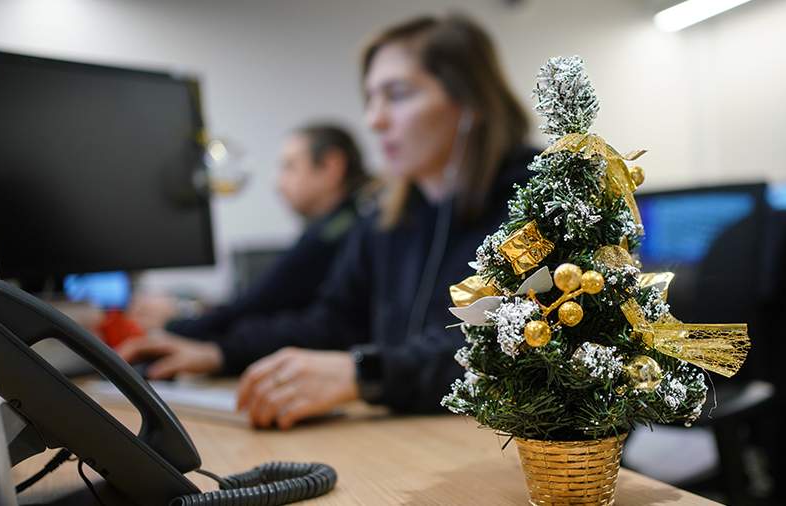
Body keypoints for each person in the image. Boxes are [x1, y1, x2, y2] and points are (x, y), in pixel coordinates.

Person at [120, 14, 536, 429]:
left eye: (397, 94)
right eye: (371, 99)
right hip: (412, 434)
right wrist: (221, 353)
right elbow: (332, 323)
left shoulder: (535, 201)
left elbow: (509, 344)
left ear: (470, 101)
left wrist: (364, 374)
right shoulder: (386, 220)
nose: (374, 120)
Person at [120, 124, 371, 378]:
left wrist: (179, 327)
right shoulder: (350, 221)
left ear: (331, 166)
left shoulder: (337, 232)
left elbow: (258, 305)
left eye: (290, 167)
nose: (278, 184)